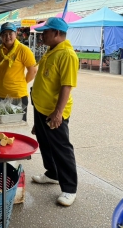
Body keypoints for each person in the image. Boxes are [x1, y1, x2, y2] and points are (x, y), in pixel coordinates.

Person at [30, 17, 79, 207]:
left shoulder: (67, 54)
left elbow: (66, 86)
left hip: (54, 111)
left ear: (57, 33)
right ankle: (52, 173)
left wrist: (58, 113)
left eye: (46, 31)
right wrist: (38, 119)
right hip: (42, 109)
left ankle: (69, 189)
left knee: (61, 148)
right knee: (45, 143)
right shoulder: (52, 51)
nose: (43, 35)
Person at [0, 22, 37, 121]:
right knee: (0, 124)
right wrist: (4, 75)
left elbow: (32, 71)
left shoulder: (24, 50)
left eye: (10, 33)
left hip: (17, 95)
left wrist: (21, 82)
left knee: (17, 125)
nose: (8, 37)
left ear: (16, 34)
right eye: (4, 34)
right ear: (0, 36)